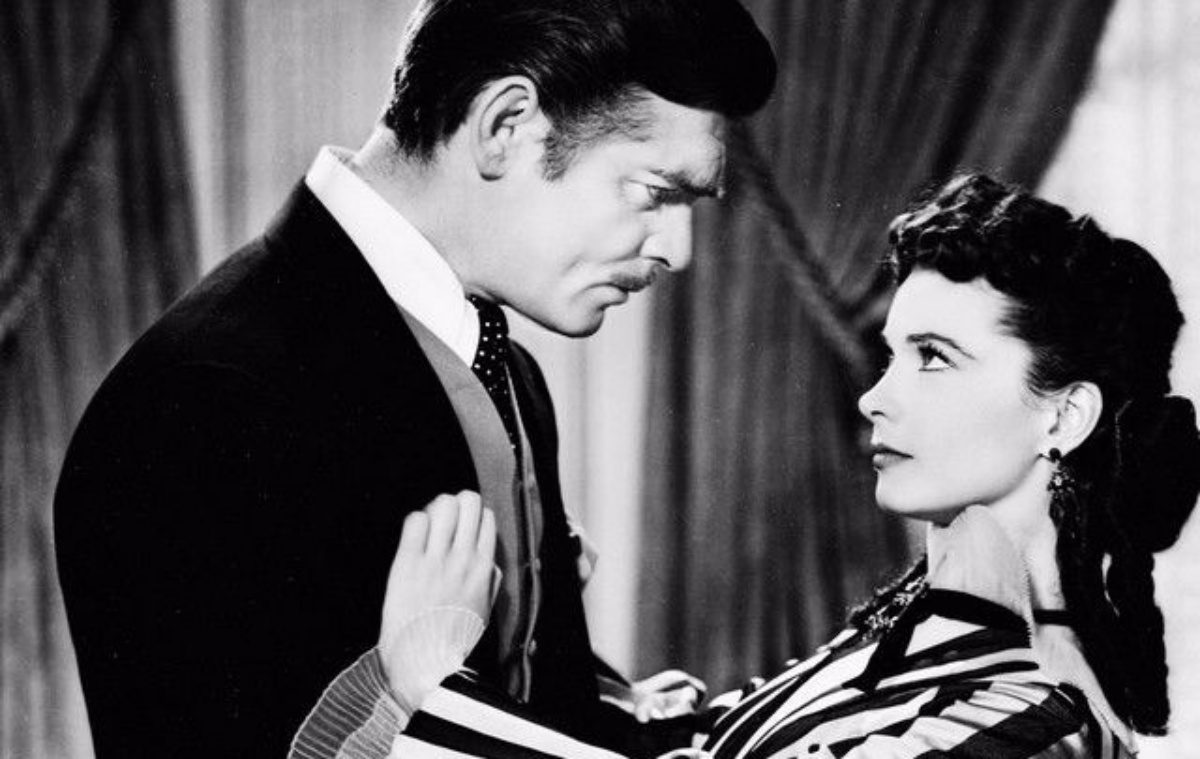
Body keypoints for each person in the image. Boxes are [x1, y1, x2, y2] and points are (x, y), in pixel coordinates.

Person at [52, 1, 776, 757]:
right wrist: (396, 698)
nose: (677, 251)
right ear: (506, 125)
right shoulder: (202, 396)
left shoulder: (509, 372)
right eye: (656, 192)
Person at [337, 173, 1200, 758]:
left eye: (935, 357)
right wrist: (566, 636)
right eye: (892, 354)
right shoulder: (911, 638)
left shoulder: (1037, 718)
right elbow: (709, 743)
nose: (877, 397)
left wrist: (431, 687)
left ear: (1065, 415)